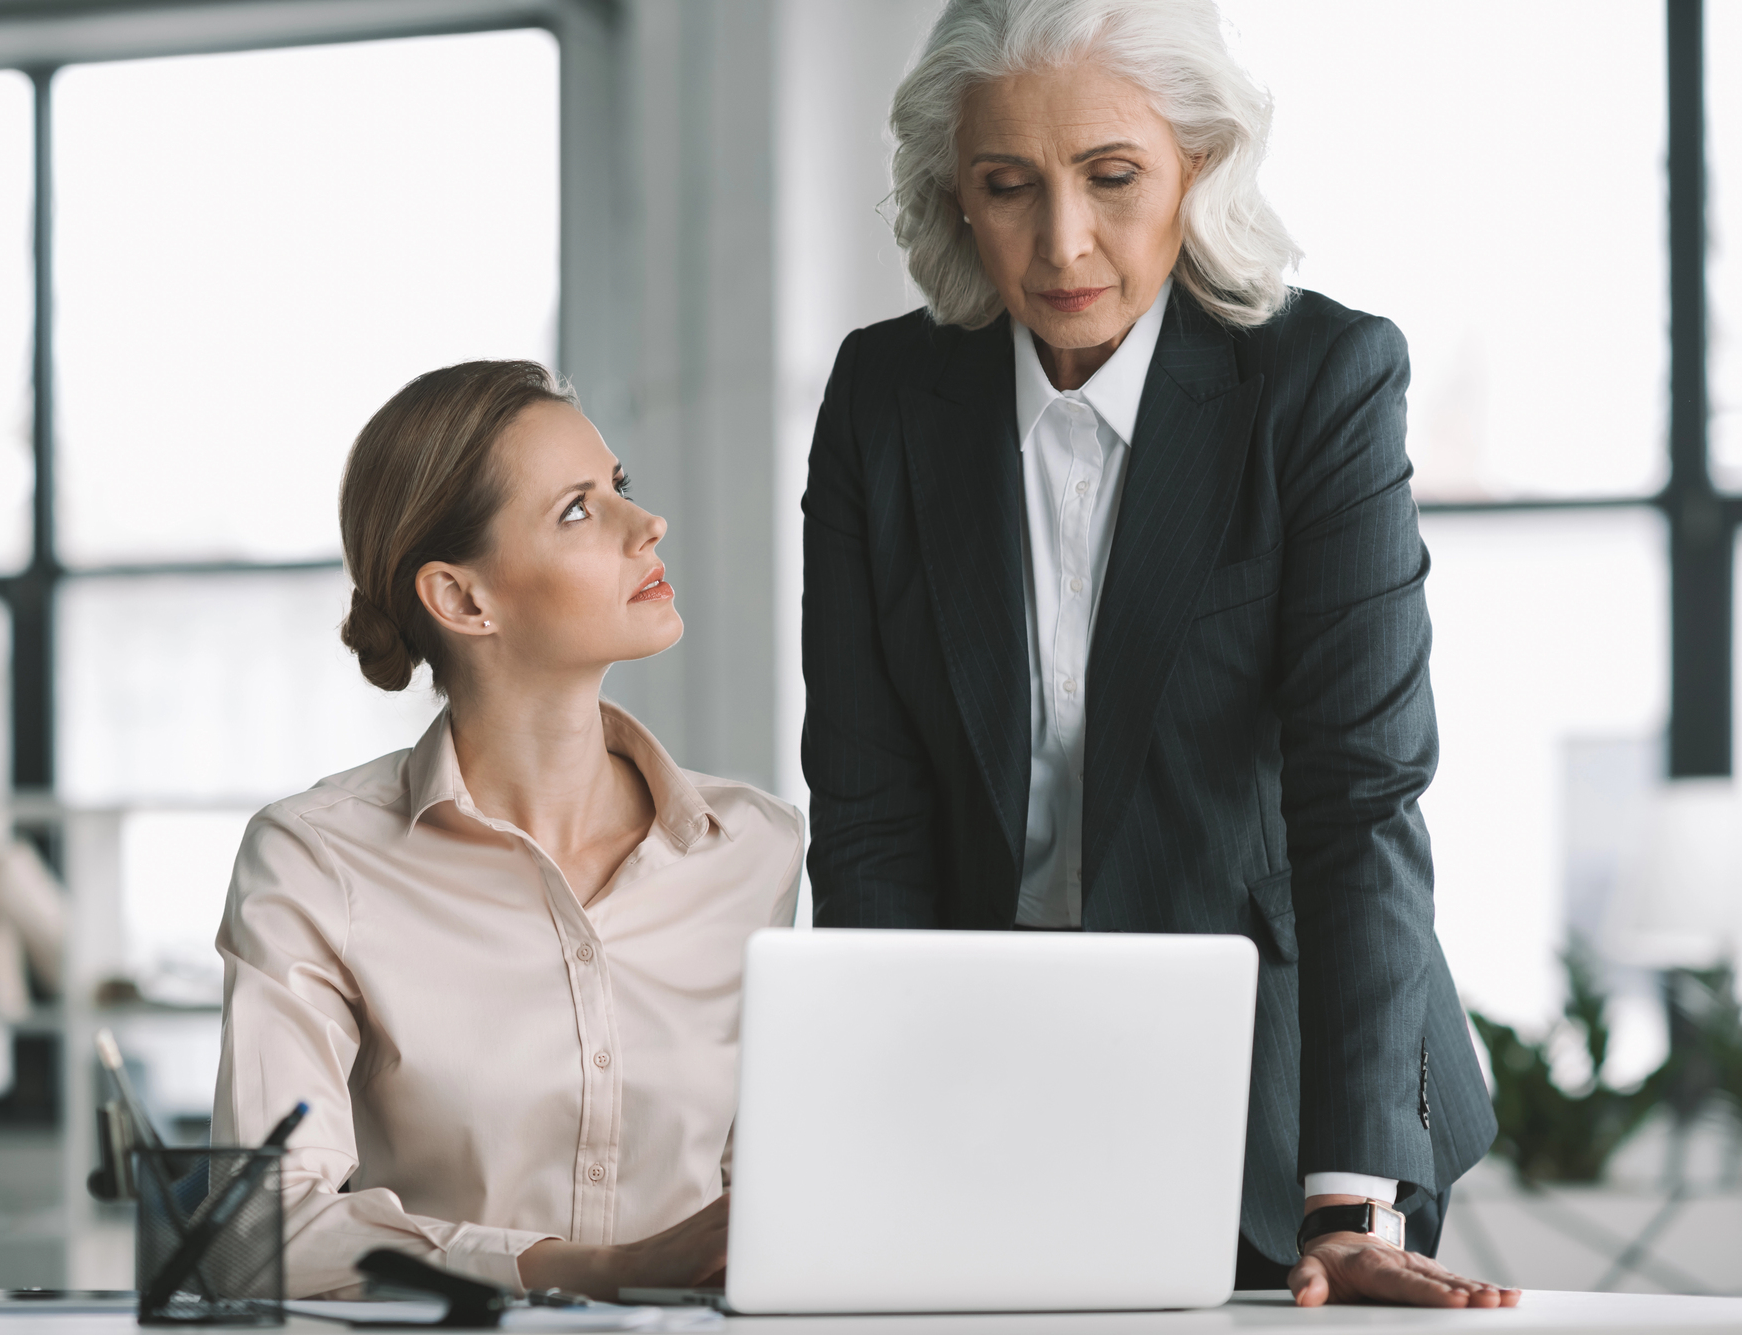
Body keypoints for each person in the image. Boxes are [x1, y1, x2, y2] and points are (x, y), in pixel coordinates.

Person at [801, 0, 1518, 1309]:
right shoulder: (884, 403)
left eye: (1112, 177)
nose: (1062, 240)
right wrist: (889, 1132)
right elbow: (868, 811)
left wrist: (1350, 1189)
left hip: (1295, 1106)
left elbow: (1358, 800)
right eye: (1007, 186)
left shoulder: (1322, 380)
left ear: (1199, 162)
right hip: (997, 1100)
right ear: (954, 198)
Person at [213, 361, 803, 1300]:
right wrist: (593, 1271)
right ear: (462, 600)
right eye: (578, 510)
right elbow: (255, 1230)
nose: (644, 526)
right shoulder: (317, 861)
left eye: (621, 487)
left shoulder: (757, 850)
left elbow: (776, 1193)